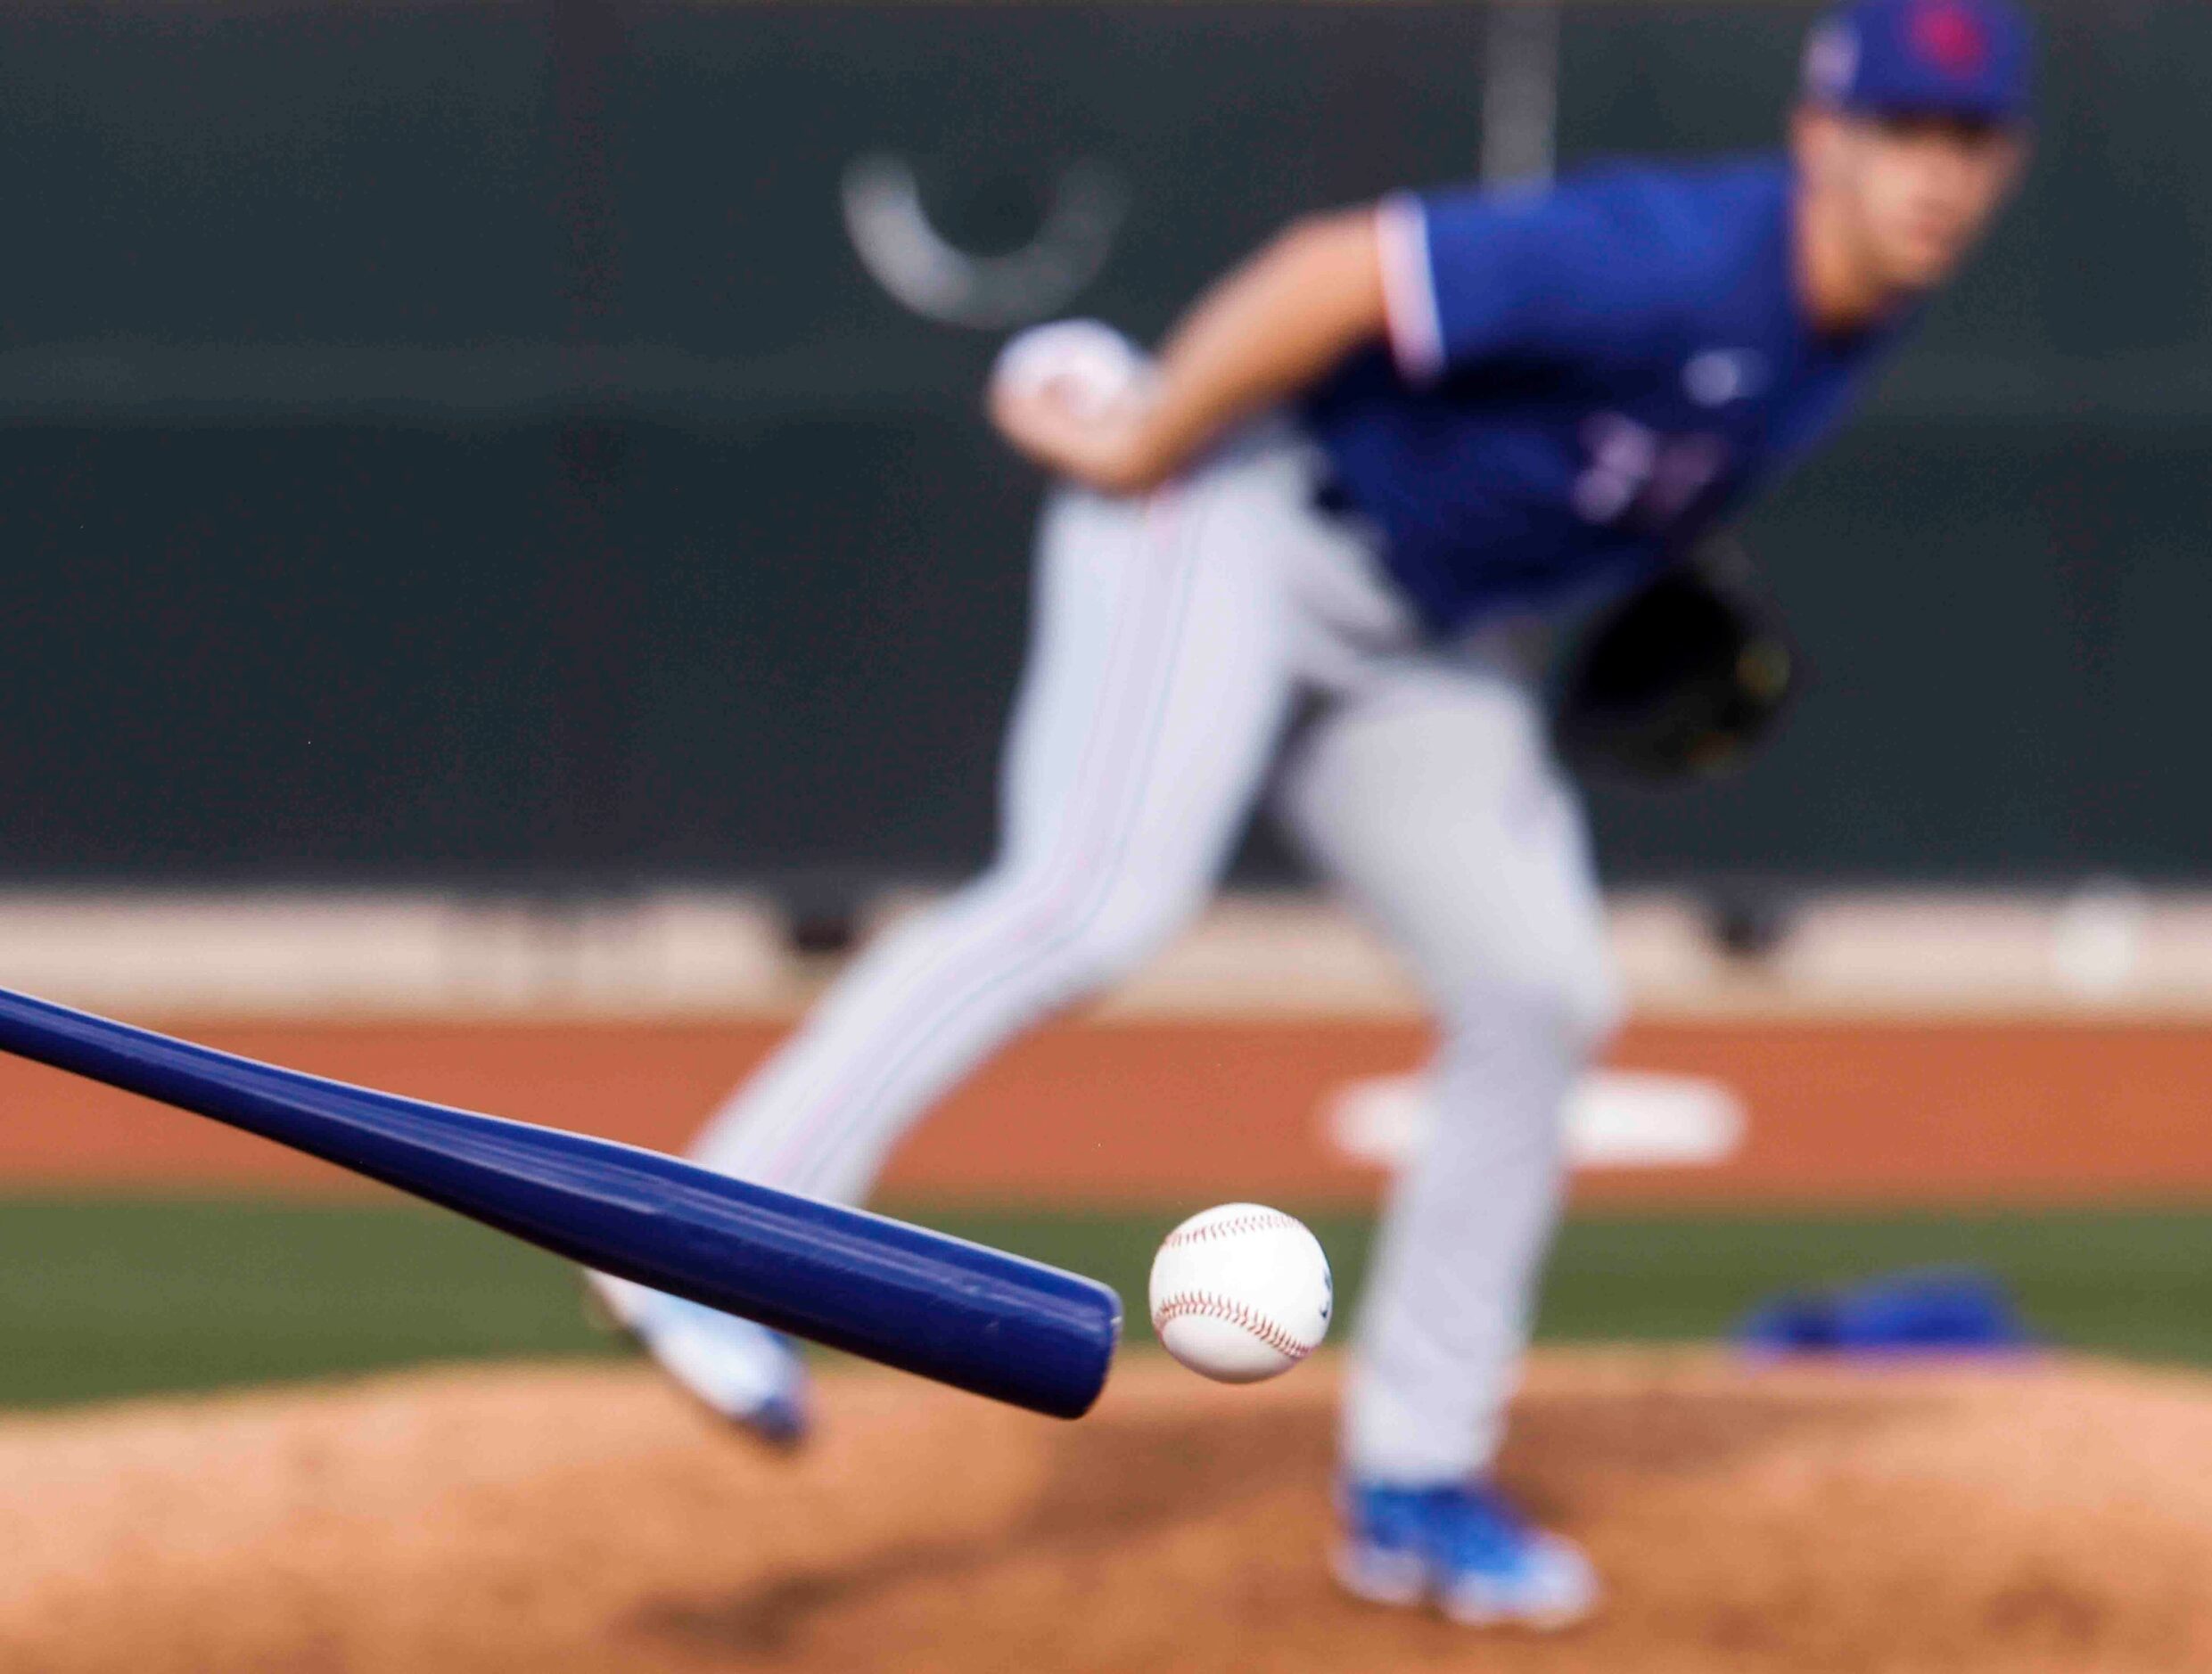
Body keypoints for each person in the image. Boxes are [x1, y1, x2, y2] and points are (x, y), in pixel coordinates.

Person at [592, 0, 2030, 1628]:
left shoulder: (1854, 319)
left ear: (2007, 165)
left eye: (1966, 142)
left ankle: (1416, 1481)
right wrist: (1146, 436)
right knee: (1091, 898)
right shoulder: (1682, 254)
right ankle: (691, 1244)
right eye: (1901, 130)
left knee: (1539, 993)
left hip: (1421, 639)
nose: (1931, 173)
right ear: (1816, 134)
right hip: (1239, 513)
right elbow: (1339, 272)